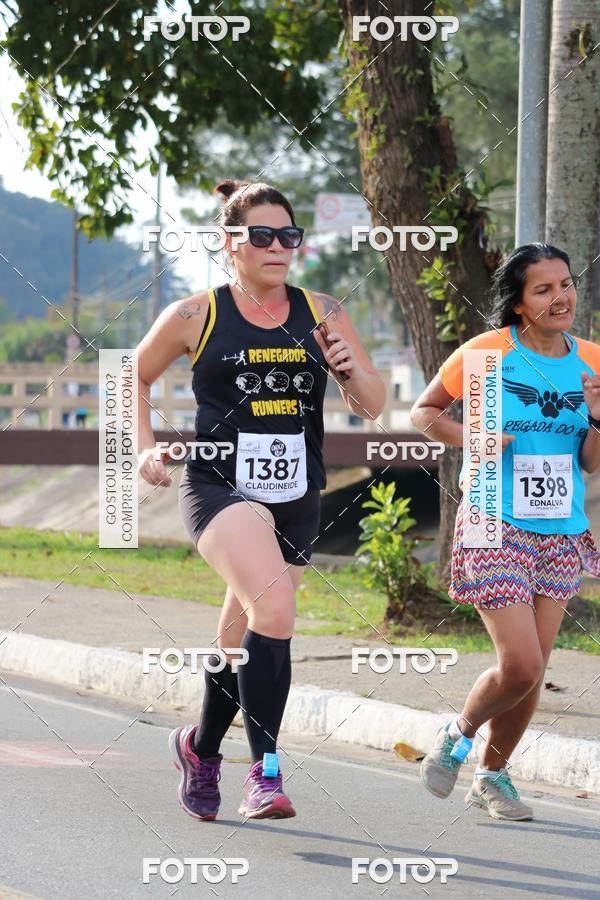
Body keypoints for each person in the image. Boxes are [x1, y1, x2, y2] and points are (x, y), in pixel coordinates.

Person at [136, 179, 386, 821]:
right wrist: (142, 449)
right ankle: (267, 774)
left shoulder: (323, 310)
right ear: (231, 242)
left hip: (298, 490)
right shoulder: (197, 314)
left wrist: (345, 367)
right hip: (219, 485)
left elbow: (373, 405)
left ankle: (200, 747)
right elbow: (128, 377)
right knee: (274, 606)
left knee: (241, 633)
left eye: (289, 235)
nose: (278, 247)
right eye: (262, 235)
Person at [411, 243, 600, 821]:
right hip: (493, 516)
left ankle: (491, 776)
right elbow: (424, 412)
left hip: (560, 526)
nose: (560, 297)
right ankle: (457, 733)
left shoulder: (592, 359)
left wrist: (596, 417)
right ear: (518, 304)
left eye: (565, 284)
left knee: (534, 669)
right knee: (519, 662)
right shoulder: (487, 354)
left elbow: (591, 462)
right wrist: (475, 438)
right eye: (543, 290)